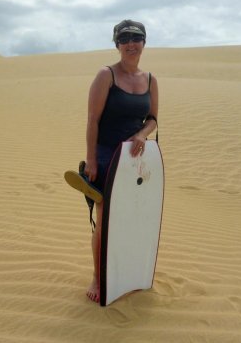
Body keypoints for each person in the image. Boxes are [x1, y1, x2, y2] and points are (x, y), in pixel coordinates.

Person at [84, 19, 159, 303]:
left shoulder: (151, 80)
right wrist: (91, 159)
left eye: (136, 38)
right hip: (106, 156)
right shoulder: (106, 76)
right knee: (104, 221)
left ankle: (127, 273)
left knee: (134, 219)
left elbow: (152, 119)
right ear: (117, 44)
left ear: (143, 43)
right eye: (125, 38)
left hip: (135, 160)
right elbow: (92, 119)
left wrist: (141, 134)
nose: (131, 43)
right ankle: (97, 276)